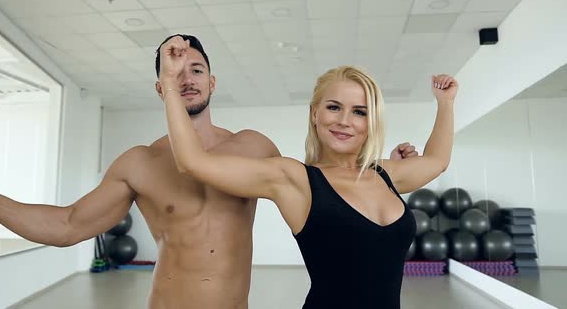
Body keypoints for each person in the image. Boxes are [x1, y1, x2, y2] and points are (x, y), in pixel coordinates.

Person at [0, 34, 418, 309]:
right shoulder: (139, 162)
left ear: (212, 82)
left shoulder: (254, 147)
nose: (186, 77)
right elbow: (68, 225)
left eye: (196, 69)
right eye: (174, 72)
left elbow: (324, 192)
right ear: (160, 87)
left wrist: (381, 170)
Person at [159, 36, 458, 308]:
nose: (344, 120)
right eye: (333, 107)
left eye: (359, 112)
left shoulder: (385, 175)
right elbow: (192, 161)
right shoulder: (295, 180)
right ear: (315, 113)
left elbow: (437, 160)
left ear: (371, 122)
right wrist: (170, 83)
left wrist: (445, 103)